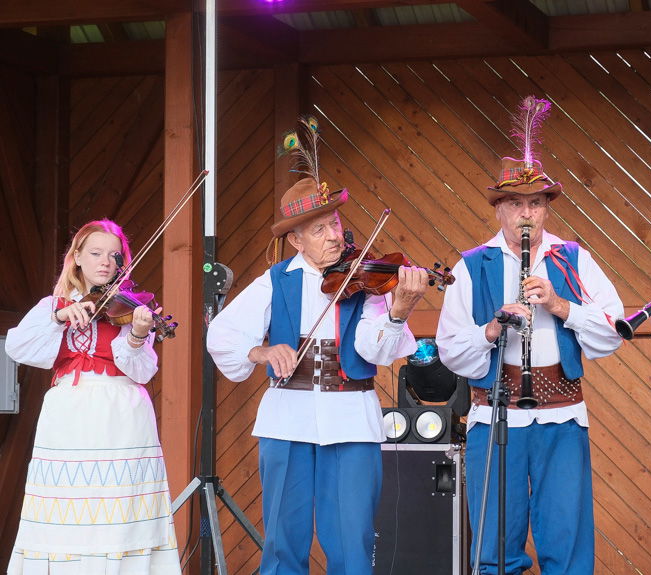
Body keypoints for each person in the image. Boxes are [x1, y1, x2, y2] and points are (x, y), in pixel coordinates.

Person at [206, 117, 427, 575]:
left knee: (352, 543)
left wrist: (399, 309)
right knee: (284, 544)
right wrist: (261, 352)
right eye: (320, 228)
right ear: (295, 238)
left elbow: (374, 348)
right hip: (286, 420)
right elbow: (222, 334)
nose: (335, 236)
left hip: (351, 420)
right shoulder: (275, 281)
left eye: (335, 224)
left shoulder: (363, 280)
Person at [436, 96, 623, 575]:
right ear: (499, 209)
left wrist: (561, 307)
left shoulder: (573, 258)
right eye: (515, 204)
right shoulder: (472, 265)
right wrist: (494, 328)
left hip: (563, 415)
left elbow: (613, 331)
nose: (526, 214)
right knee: (495, 542)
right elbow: (451, 349)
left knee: (566, 536)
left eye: (535, 204)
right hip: (494, 412)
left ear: (545, 210)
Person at [4, 219, 181, 575]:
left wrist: (137, 335)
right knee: (67, 508)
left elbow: (142, 371)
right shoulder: (51, 305)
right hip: (68, 414)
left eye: (113, 256)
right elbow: (17, 346)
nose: (104, 262)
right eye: (95, 253)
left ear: (122, 264)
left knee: (120, 510)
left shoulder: (131, 307)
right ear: (77, 258)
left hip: (123, 415)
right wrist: (58, 317)